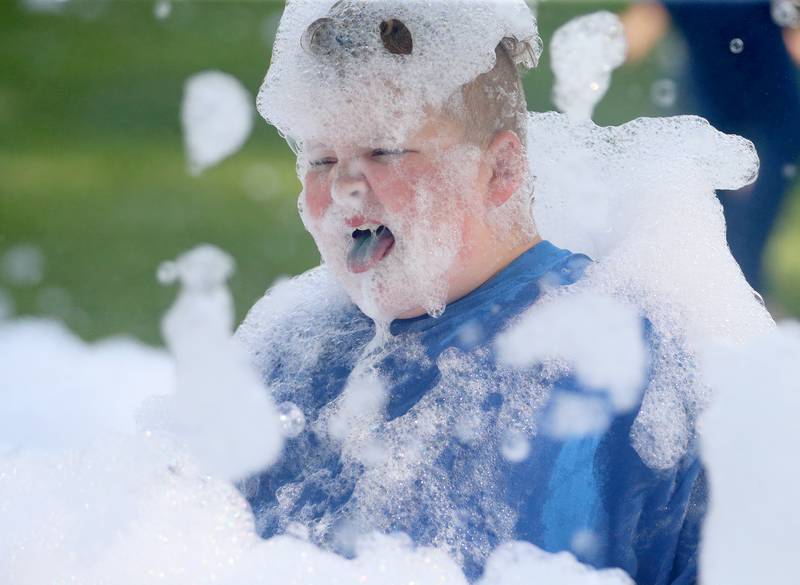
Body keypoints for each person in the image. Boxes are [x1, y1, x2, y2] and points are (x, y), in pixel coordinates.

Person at [236, 1, 705, 583]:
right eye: (320, 158)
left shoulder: (627, 366)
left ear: (501, 170)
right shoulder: (292, 351)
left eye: (385, 149)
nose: (343, 187)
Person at [622, 0, 800, 293]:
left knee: (746, 241)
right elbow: (633, 40)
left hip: (774, 125)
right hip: (706, 127)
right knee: (709, 239)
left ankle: (752, 326)